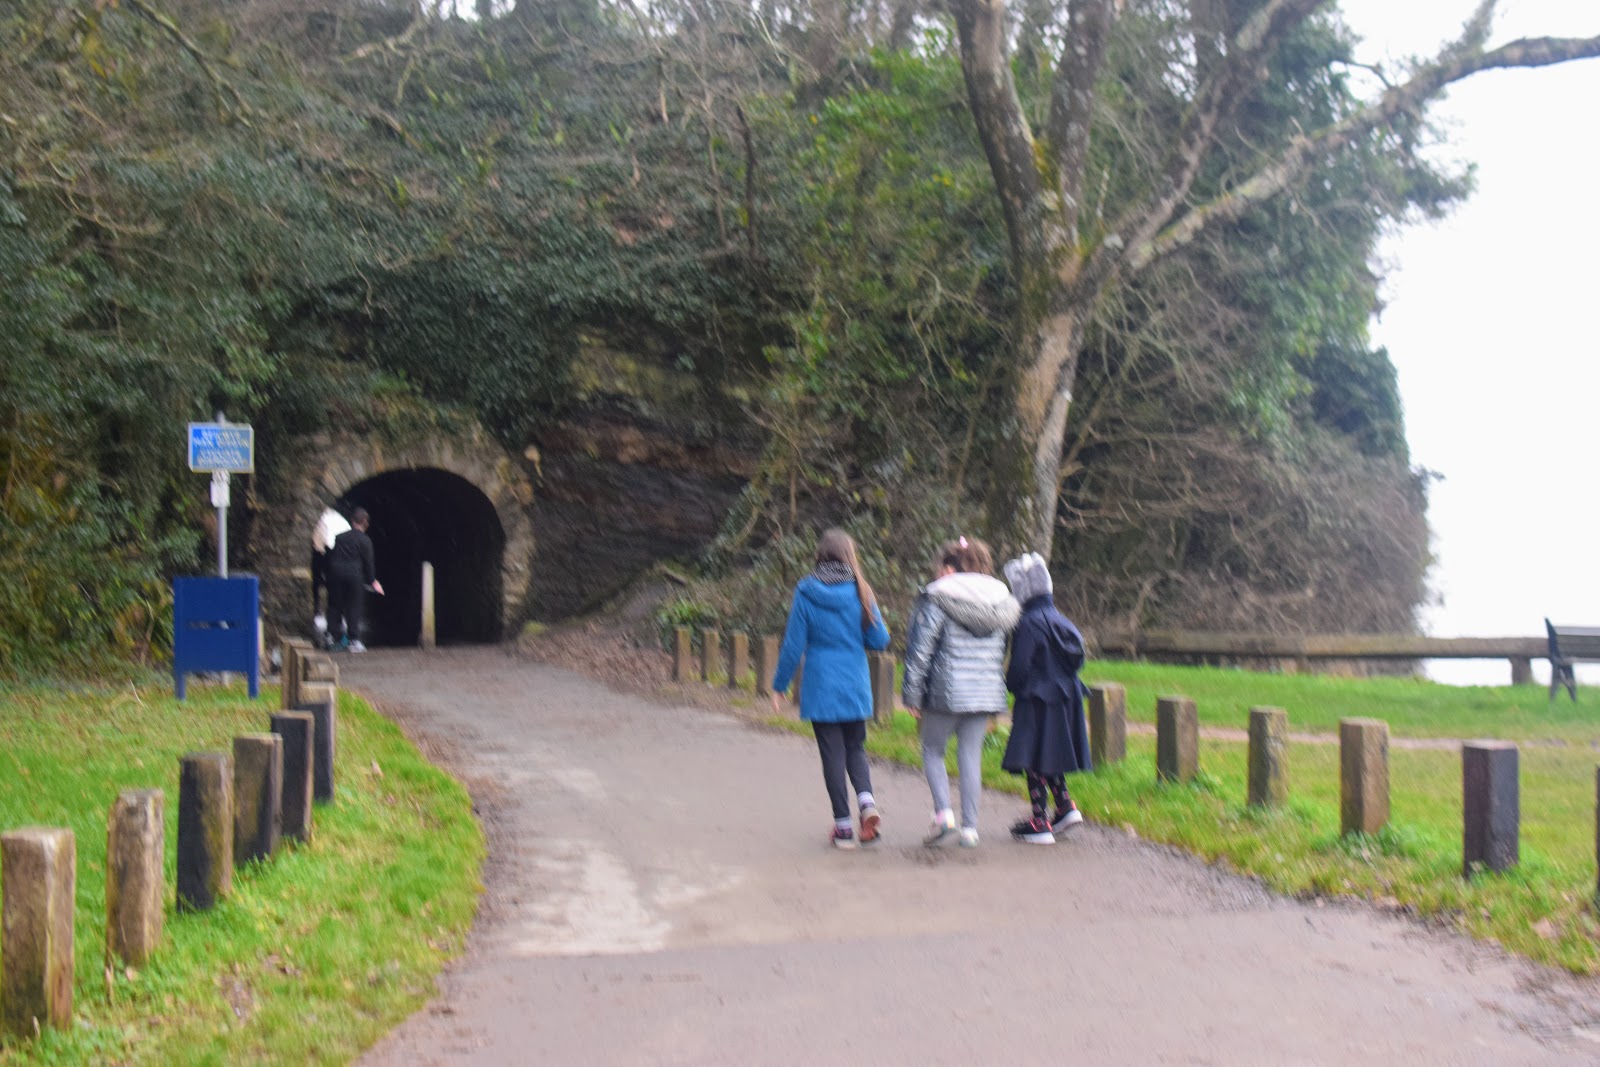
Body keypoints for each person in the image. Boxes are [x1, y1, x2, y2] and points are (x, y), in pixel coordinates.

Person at [771, 528, 892, 850]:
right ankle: (867, 803)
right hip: (854, 683)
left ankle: (843, 828)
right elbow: (880, 640)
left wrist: (779, 686)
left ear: (820, 555)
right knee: (856, 748)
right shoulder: (862, 591)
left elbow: (794, 644)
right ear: (850, 557)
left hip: (821, 685)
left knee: (832, 755)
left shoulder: (807, 591)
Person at [901, 536, 1020, 849]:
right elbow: (1001, 651)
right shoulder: (1000, 601)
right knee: (971, 755)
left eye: (940, 568)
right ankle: (970, 828)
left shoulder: (937, 598)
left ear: (950, 568)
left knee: (932, 749)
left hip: (945, 691)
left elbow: (920, 651)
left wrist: (912, 693)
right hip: (984, 692)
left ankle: (943, 814)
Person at [1001, 551, 1092, 844]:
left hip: (1036, 699)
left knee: (1033, 758)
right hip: (1066, 698)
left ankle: (1039, 821)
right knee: (1048, 753)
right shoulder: (1062, 621)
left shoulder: (1029, 623)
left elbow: (1020, 666)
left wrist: (1011, 685)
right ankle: (1064, 806)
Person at [326, 507, 382, 652]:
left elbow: (330, 556)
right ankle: (353, 640)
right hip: (354, 575)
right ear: (365, 523)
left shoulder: (340, 537)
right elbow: (368, 563)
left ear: (352, 521)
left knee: (334, 604)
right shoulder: (365, 541)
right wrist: (372, 581)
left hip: (336, 573)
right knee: (354, 606)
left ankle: (332, 636)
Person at [310, 507, 350, 647]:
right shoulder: (339, 531)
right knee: (336, 604)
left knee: (334, 604)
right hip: (335, 576)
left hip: (330, 575)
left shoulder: (324, 532)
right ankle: (335, 633)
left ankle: (333, 633)